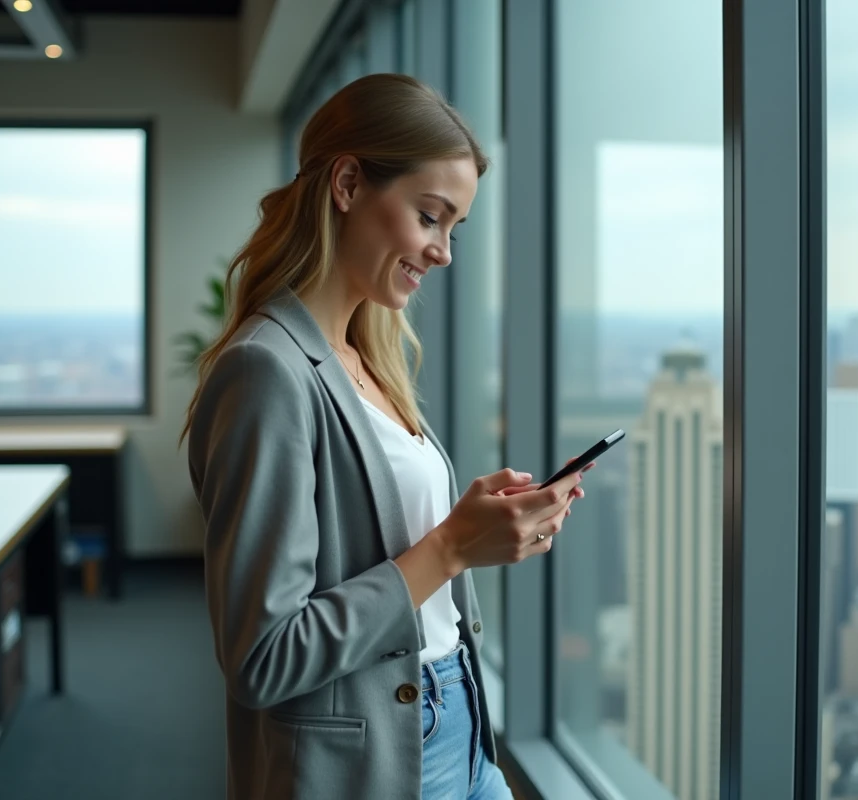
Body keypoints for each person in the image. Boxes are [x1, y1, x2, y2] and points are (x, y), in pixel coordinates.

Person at [182, 73, 587, 800]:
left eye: (453, 228)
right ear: (346, 183)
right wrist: (451, 547)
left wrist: (475, 523)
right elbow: (262, 657)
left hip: (458, 719)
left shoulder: (368, 357)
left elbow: (386, 549)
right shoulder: (266, 372)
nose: (444, 252)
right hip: (379, 754)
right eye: (430, 217)